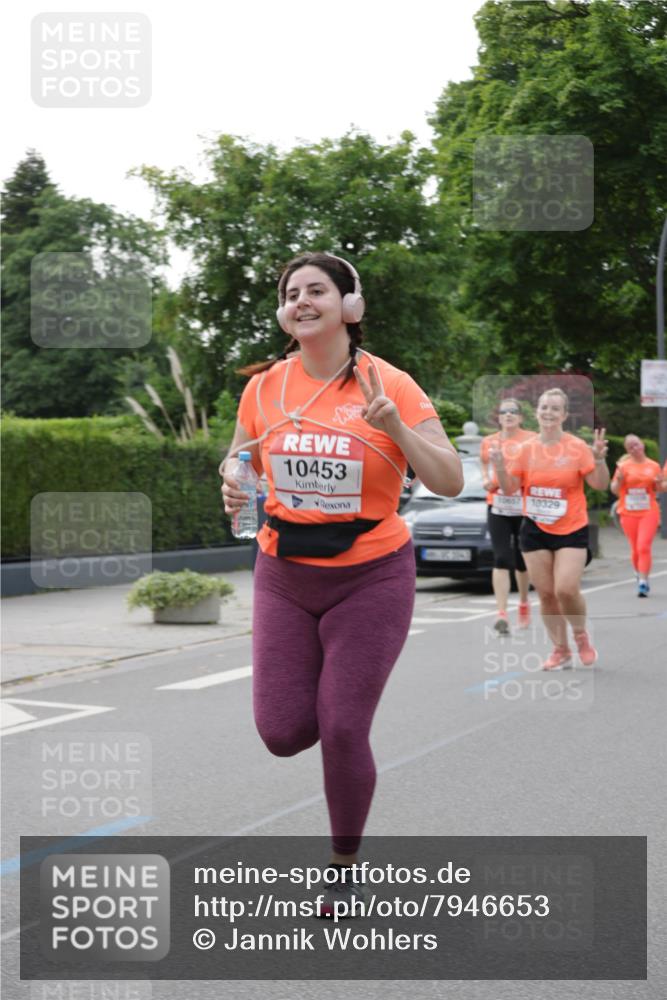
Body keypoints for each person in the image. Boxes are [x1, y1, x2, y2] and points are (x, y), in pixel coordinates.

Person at [219, 252, 463, 915]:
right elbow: (241, 454)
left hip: (371, 576)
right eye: (291, 292)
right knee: (281, 732)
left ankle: (342, 867)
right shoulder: (265, 386)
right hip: (283, 573)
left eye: (316, 289)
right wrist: (233, 477)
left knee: (344, 727)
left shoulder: (392, 385)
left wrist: (395, 429)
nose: (301, 299)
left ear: (348, 305)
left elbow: (448, 480)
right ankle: (328, 708)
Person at [490, 388, 609, 671]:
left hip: (571, 527)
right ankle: (560, 649)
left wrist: (600, 459)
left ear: (564, 415)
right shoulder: (525, 449)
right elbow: (509, 489)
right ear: (537, 412)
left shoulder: (577, 447)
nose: (548, 412)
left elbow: (600, 485)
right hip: (534, 527)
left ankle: (580, 636)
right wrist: (500, 467)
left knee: (566, 589)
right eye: (544, 407)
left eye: (555, 408)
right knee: (546, 594)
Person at [480, 399, 535, 634]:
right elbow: (483, 465)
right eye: (504, 412)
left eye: (514, 411)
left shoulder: (531, 439)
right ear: (499, 417)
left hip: (523, 507)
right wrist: (486, 480)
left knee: (522, 560)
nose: (509, 415)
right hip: (498, 506)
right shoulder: (489, 441)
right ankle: (501, 613)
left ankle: (523, 602)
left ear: (521, 418)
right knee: (502, 558)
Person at [610, 435, 663, 596]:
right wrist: (619, 481)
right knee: (635, 549)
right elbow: (614, 489)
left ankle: (643, 581)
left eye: (636, 444)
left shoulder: (653, 466)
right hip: (628, 512)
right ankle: (639, 571)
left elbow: (657, 488)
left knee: (643, 546)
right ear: (627, 451)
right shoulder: (623, 467)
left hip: (649, 511)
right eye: (630, 447)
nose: (635, 448)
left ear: (642, 444)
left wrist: (659, 482)